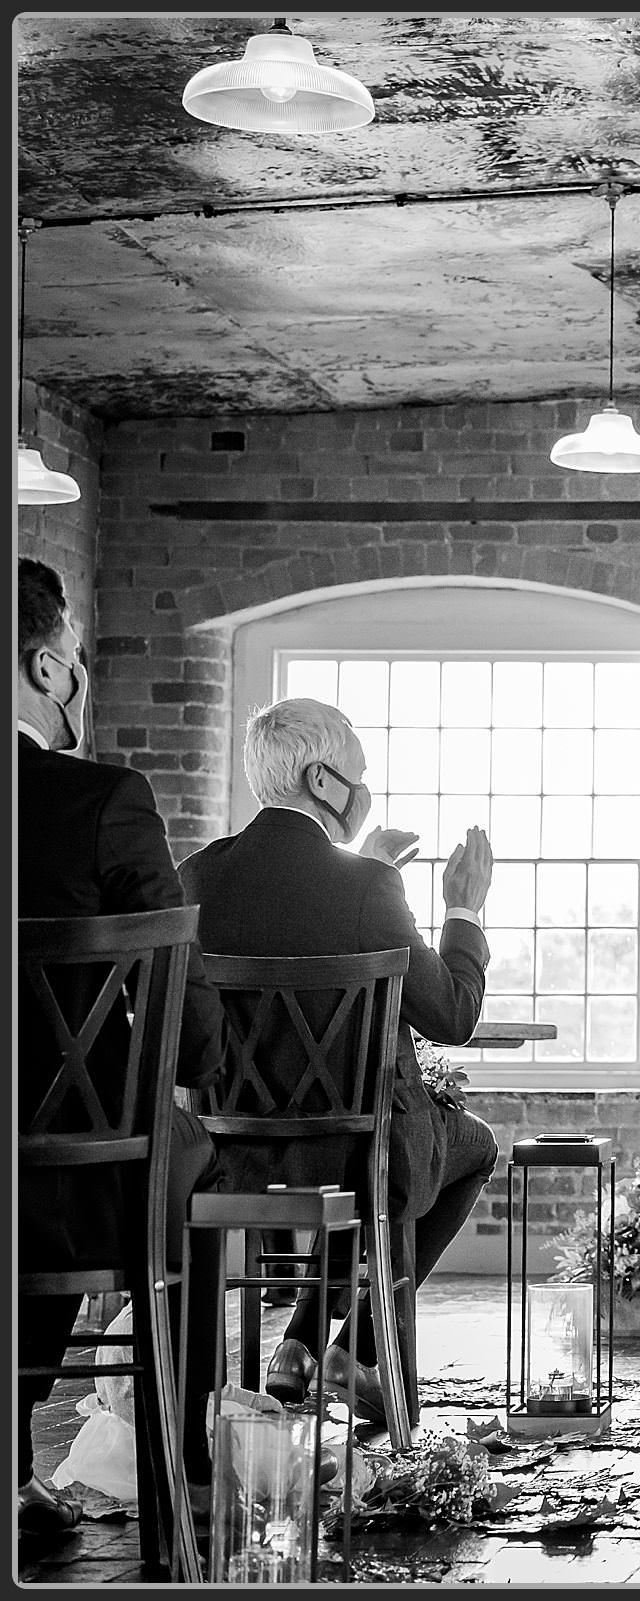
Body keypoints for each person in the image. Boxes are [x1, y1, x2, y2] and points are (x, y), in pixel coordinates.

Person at [178, 697, 499, 1431]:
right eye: (359, 775)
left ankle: (299, 1345)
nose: (365, 791)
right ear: (323, 782)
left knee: (362, 1153)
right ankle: (356, 1348)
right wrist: (464, 910)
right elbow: (451, 1013)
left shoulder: (195, 876)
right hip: (361, 1151)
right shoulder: (366, 885)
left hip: (228, 1151)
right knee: (467, 1147)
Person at [15, 558, 224, 1536]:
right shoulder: (103, 800)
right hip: (73, 1180)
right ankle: (179, 1461)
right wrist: (198, 1068)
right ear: (50, 667)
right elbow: (180, 1015)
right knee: (184, 1151)